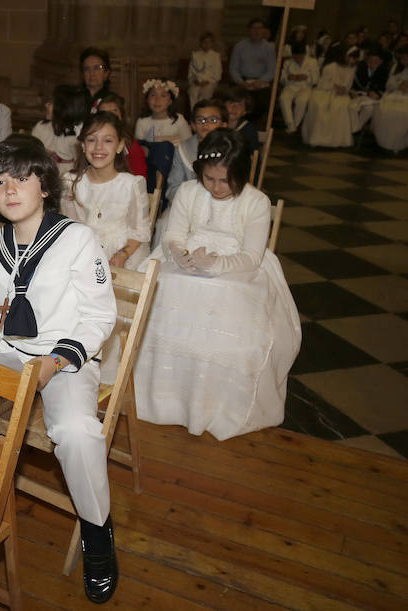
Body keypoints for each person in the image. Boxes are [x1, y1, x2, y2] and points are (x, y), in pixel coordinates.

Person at [0, 134, 119, 603]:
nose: (10, 190)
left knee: (76, 431)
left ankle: (98, 533)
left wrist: (56, 361)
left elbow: (99, 316)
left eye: (22, 178)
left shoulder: (78, 238)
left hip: (63, 357)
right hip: (11, 352)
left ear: (45, 187)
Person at [134, 129, 300, 441]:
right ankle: (165, 398)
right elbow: (173, 235)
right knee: (164, 291)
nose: (217, 187)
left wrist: (216, 265)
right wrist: (181, 255)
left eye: (225, 181)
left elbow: (252, 256)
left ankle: (212, 403)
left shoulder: (257, 201)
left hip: (237, 268)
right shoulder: (187, 191)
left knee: (226, 310)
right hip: (187, 261)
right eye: (210, 179)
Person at [62, 111, 150, 270]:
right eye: (91, 140)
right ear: (83, 145)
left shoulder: (132, 184)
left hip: (124, 254)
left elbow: (139, 232)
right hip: (83, 254)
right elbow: (69, 228)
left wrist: (122, 254)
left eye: (107, 140)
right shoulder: (70, 183)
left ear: (120, 146)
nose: (98, 147)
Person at [167, 98, 229, 206]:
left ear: (224, 125)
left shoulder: (231, 149)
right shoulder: (182, 150)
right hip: (188, 205)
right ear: (193, 125)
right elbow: (173, 187)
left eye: (213, 120)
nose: (206, 124)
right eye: (200, 120)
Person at [134, 78, 192, 193]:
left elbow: (188, 144)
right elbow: (139, 148)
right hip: (151, 166)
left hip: (175, 165)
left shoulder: (178, 120)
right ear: (147, 99)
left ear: (170, 100)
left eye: (163, 96)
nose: (157, 100)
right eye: (153, 95)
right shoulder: (142, 121)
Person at [302, 45, 359, 148]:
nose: (352, 60)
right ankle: (318, 138)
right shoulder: (330, 67)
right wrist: (334, 86)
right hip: (325, 92)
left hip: (341, 94)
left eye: (354, 58)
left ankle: (339, 140)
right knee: (320, 105)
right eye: (350, 57)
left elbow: (348, 84)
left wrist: (344, 89)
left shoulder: (353, 69)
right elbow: (322, 84)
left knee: (341, 106)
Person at [31, 83, 88, 170]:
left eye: (51, 103)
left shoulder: (78, 135)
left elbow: (80, 165)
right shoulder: (41, 127)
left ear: (64, 107)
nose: (46, 105)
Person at [229, 18, 275, 121]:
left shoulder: (269, 48)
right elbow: (233, 69)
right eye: (254, 28)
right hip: (243, 81)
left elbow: (271, 70)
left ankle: (255, 124)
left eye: (260, 28)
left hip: (260, 81)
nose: (257, 31)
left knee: (263, 100)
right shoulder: (239, 46)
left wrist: (260, 81)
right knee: (239, 98)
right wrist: (241, 82)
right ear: (249, 30)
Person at [97, 94, 147, 179]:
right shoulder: (94, 143)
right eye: (104, 113)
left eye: (114, 112)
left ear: (121, 116)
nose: (110, 117)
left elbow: (140, 176)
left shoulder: (130, 144)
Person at [371, 45, 408, 152]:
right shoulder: (395, 67)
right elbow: (389, 84)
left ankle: (400, 143)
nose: (404, 60)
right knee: (384, 109)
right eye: (403, 58)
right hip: (395, 94)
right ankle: (385, 143)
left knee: (401, 113)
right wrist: (398, 85)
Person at [278, 42, 319, 134]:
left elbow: (316, 79)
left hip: (305, 87)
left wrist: (306, 78)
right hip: (291, 86)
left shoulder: (312, 62)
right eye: (296, 56)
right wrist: (288, 78)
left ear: (304, 54)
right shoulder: (287, 62)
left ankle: (294, 125)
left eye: (300, 56)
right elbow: (282, 78)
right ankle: (290, 124)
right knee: (283, 98)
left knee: (302, 100)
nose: (298, 59)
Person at [349, 45, 390, 132]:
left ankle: (355, 129)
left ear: (381, 62)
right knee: (352, 107)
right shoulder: (360, 69)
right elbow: (353, 85)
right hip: (358, 95)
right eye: (370, 61)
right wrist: (353, 92)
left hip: (375, 99)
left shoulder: (384, 71)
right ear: (367, 60)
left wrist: (378, 94)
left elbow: (384, 88)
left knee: (369, 108)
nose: (372, 64)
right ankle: (353, 128)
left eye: (376, 62)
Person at [188, 32, 222, 109]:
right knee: (193, 92)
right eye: (204, 42)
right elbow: (191, 71)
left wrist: (208, 81)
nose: (206, 44)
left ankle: (202, 111)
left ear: (212, 43)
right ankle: (194, 113)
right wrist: (194, 80)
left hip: (209, 82)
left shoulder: (215, 56)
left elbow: (217, 74)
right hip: (197, 82)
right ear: (200, 43)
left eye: (209, 42)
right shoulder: (195, 55)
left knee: (205, 93)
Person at [224, 87, 260, 154]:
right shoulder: (216, 125)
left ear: (245, 111)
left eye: (240, 105)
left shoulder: (249, 129)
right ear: (224, 105)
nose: (234, 108)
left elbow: (254, 155)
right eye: (231, 103)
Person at [79, 47, 112, 112]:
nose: (92, 73)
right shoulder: (75, 100)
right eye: (87, 68)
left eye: (97, 67)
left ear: (106, 73)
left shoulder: (112, 101)